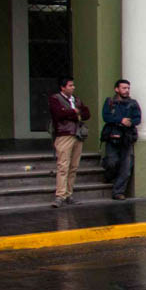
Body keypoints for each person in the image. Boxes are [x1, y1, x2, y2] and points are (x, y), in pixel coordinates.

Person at [48, 76, 91, 207]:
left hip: (77, 135)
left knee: (73, 166)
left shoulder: (76, 99)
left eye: (73, 85)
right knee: (63, 166)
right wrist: (74, 112)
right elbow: (58, 114)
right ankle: (60, 195)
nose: (73, 87)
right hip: (64, 134)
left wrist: (71, 113)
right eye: (70, 85)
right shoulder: (55, 99)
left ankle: (69, 194)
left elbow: (86, 113)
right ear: (63, 87)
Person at [100, 79, 140, 200]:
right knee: (112, 162)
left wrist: (130, 122)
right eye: (123, 88)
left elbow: (137, 118)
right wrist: (120, 120)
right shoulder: (110, 102)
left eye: (128, 88)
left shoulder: (133, 103)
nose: (126, 90)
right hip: (112, 137)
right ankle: (108, 175)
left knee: (126, 168)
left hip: (126, 138)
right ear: (116, 89)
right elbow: (106, 116)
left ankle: (118, 192)